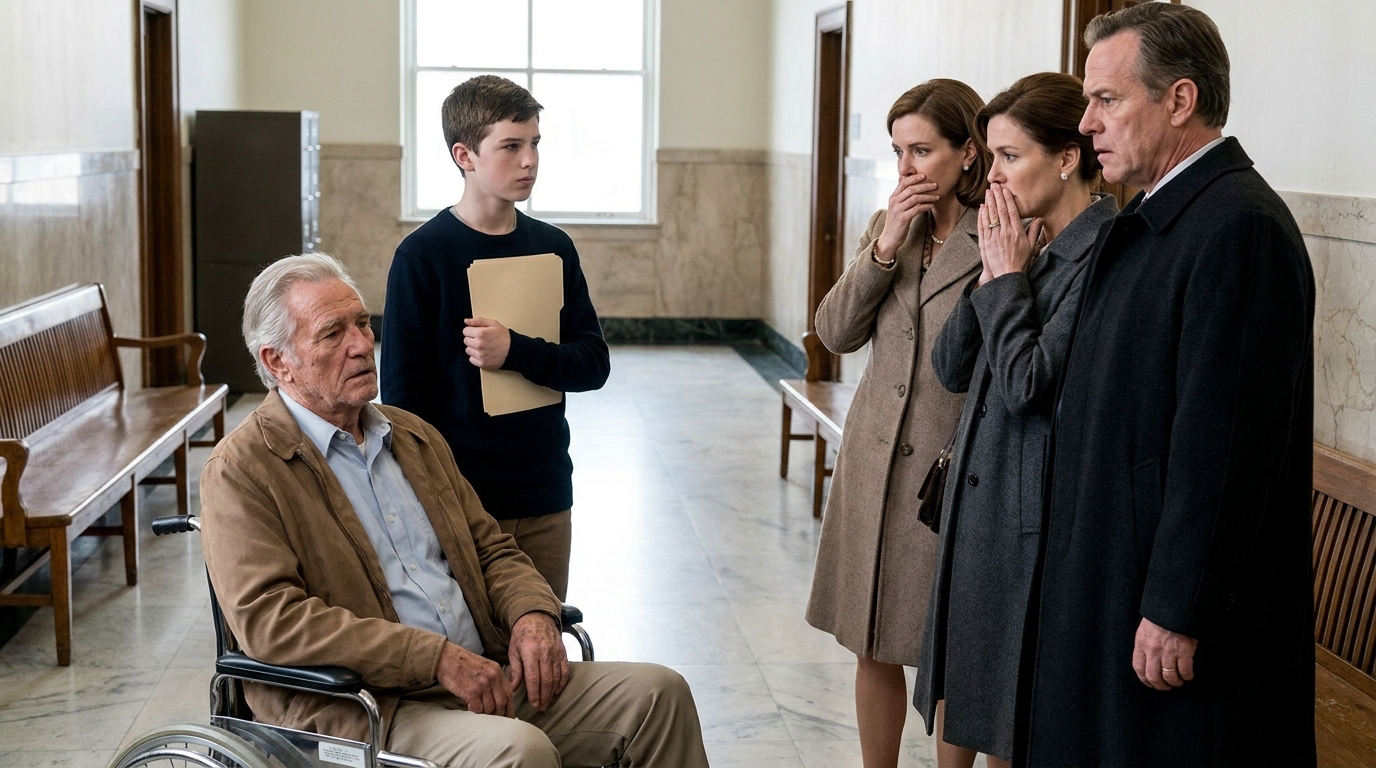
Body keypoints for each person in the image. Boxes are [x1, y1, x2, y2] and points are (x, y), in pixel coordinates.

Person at [200, 254, 708, 768]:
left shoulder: (411, 436)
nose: (361, 344)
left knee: (658, 695)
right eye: (333, 334)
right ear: (277, 362)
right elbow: (272, 621)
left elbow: (491, 549)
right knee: (520, 751)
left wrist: (533, 612)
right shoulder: (244, 469)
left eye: (362, 324)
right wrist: (434, 658)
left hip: (484, 673)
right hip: (367, 708)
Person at [1019, 5, 1316, 765]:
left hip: (1167, 616)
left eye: (1107, 99)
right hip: (1114, 576)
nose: (1086, 123)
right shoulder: (1162, 217)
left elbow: (1226, 443)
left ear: (1180, 100)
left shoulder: (1238, 227)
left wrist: (1178, 606)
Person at [912, 72, 1118, 768]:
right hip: (981, 500)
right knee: (963, 688)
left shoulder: (1101, 255)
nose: (992, 176)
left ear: (1066, 159)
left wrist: (1006, 281)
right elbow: (950, 367)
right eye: (992, 155)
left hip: (1028, 516)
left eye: (1009, 156)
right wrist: (994, 272)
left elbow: (1029, 384)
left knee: (1006, 707)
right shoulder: (1027, 240)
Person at [805, 79, 990, 768]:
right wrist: (883, 248)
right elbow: (835, 332)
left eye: (922, 150)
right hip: (873, 462)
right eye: (898, 151)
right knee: (871, 641)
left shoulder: (1000, 232)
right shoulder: (891, 227)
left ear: (968, 153)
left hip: (948, 471)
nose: (907, 168)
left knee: (951, 653)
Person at [382, 75, 610, 602]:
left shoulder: (554, 247)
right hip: (463, 502)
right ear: (464, 155)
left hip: (545, 491)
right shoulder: (421, 257)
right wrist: (431, 503)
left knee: (542, 639)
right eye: (511, 146)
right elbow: (402, 405)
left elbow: (593, 364)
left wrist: (515, 351)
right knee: (473, 645)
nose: (529, 160)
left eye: (535, 143)